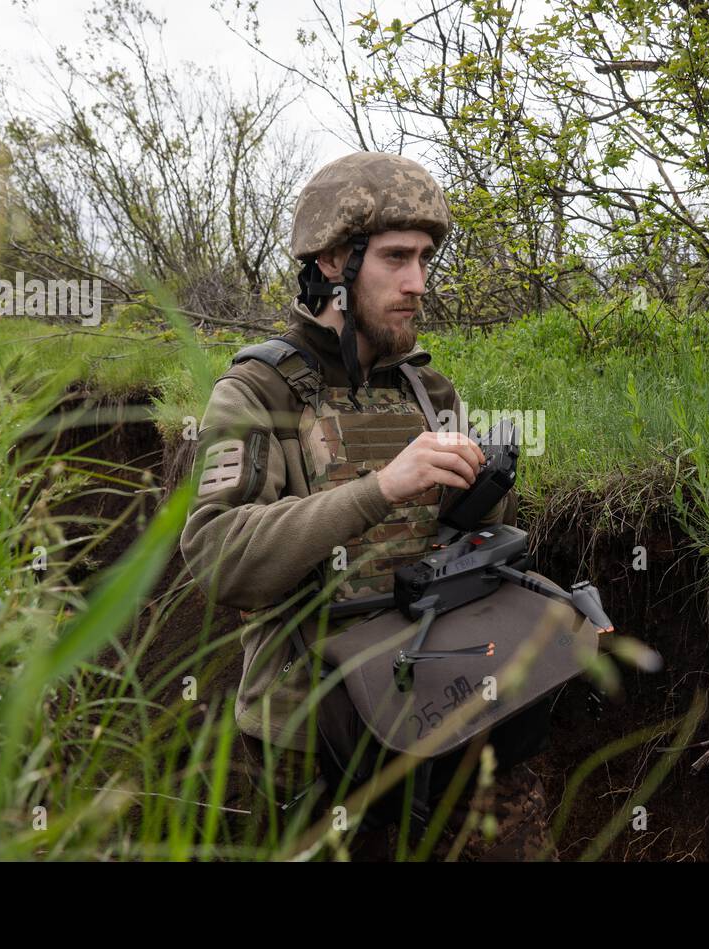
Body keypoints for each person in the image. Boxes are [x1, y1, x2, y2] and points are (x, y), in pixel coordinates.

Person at [180, 152, 558, 861]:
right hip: (312, 739)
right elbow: (220, 557)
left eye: (425, 259)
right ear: (332, 262)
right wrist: (381, 486)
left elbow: (449, 538)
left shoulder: (428, 391)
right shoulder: (258, 392)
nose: (418, 283)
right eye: (395, 258)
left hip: (442, 703)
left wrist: (484, 488)